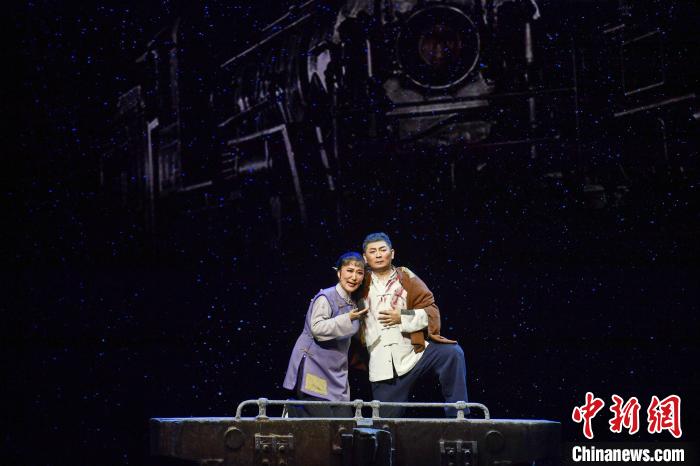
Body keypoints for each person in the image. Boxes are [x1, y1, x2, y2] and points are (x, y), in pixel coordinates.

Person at [359, 232, 468, 417]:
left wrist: (402, 316)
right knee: (384, 425)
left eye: (382, 250)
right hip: (382, 366)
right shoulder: (360, 283)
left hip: (414, 355)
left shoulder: (407, 278)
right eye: (372, 251)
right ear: (365, 257)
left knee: (452, 353)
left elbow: (432, 312)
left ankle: (458, 414)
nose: (378, 255)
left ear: (392, 253)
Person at [282, 252, 368, 417]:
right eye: (349, 271)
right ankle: (293, 411)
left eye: (359, 273)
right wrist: (347, 318)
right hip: (315, 366)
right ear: (339, 273)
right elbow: (317, 329)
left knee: (344, 421)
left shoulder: (354, 303)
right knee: (323, 420)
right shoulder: (326, 297)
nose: (354, 277)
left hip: (336, 371)